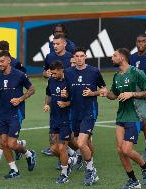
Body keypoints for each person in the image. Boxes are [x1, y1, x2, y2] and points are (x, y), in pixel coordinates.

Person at [100, 48, 146, 189]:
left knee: (126, 149)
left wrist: (132, 93)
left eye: (114, 55)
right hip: (121, 115)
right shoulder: (117, 75)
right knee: (120, 150)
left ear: (122, 58)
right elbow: (114, 95)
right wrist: (106, 93)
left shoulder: (137, 73)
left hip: (135, 115)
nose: (112, 57)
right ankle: (133, 181)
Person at [0, 50, 36, 179]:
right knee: (3, 143)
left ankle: (29, 154)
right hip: (2, 113)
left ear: (9, 60)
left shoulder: (19, 75)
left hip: (15, 113)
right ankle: (14, 170)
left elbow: (32, 89)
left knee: (12, 144)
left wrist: (20, 99)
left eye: (2, 61)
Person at [61, 47, 105, 186]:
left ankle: (91, 170)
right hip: (74, 112)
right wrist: (64, 95)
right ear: (73, 58)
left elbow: (104, 90)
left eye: (81, 56)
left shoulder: (94, 71)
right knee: (81, 142)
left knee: (80, 144)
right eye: (76, 56)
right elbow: (66, 91)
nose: (79, 58)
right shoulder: (68, 72)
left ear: (85, 57)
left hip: (89, 112)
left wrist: (93, 93)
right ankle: (86, 158)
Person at [0, 40, 26, 168]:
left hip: (13, 104)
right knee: (2, 131)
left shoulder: (16, 63)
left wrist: (19, 97)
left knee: (6, 135)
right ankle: (19, 146)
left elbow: (24, 78)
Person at [43, 60, 77, 184]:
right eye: (51, 73)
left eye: (54, 73)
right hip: (54, 119)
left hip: (66, 119)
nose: (52, 75)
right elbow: (48, 94)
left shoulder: (69, 81)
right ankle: (71, 160)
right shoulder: (51, 80)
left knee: (62, 148)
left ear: (61, 70)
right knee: (53, 149)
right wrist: (46, 104)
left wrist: (66, 102)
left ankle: (64, 174)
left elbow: (76, 100)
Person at [41, 34, 73, 156]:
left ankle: (74, 150)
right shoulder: (49, 56)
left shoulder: (70, 57)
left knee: (68, 129)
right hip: (54, 91)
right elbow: (44, 73)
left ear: (64, 44)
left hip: (67, 95)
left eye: (57, 44)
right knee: (54, 120)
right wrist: (47, 74)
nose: (55, 46)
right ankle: (57, 150)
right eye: (53, 44)